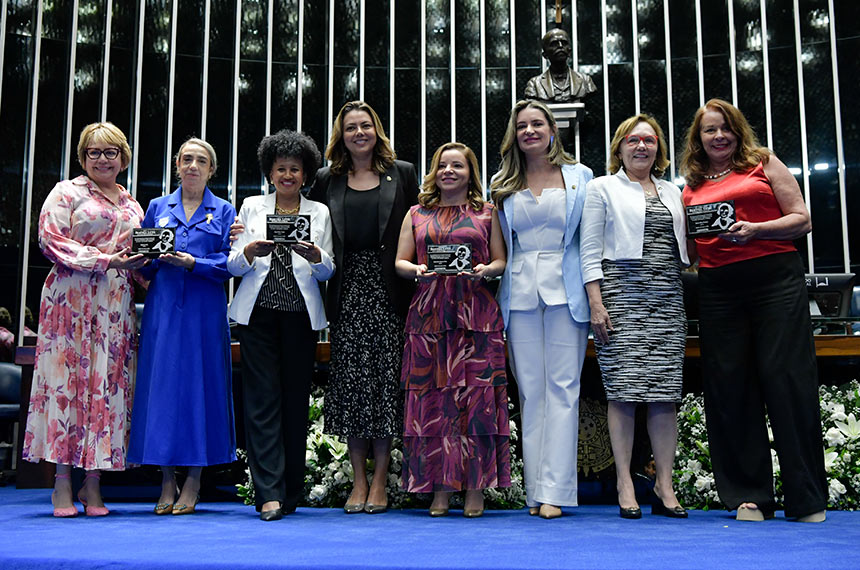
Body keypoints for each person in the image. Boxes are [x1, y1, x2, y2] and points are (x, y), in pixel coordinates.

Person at [680, 98, 827, 523]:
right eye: (710, 130)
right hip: (718, 287)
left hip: (774, 279)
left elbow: (802, 219)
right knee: (730, 389)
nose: (719, 135)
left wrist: (756, 230)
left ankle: (806, 497)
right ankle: (749, 496)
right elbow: (690, 249)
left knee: (787, 381)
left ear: (738, 130)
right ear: (698, 138)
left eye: (725, 127)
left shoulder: (762, 162)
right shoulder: (690, 185)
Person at [22, 122, 147, 517]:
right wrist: (106, 260)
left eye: (110, 152)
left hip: (115, 306)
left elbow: (140, 260)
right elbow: (50, 240)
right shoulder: (66, 192)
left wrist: (164, 267)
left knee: (105, 387)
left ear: (123, 158)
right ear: (82, 157)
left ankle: (93, 482)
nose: (103, 159)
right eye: (94, 152)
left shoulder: (133, 205)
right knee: (66, 384)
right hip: (69, 303)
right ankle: (61, 482)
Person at [308, 101, 418, 514]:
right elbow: (310, 225)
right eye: (351, 127)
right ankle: (358, 481)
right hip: (347, 290)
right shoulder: (326, 179)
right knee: (353, 388)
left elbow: (420, 225)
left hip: (391, 292)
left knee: (384, 387)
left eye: (366, 126)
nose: (359, 133)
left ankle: (381, 482)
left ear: (377, 131)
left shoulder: (402, 173)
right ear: (342, 134)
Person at [580, 114, 690, 519]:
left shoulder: (672, 191)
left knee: (665, 395)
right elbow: (589, 250)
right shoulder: (602, 188)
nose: (641, 146)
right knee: (624, 393)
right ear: (619, 147)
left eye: (649, 139)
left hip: (667, 297)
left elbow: (687, 249)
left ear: (658, 147)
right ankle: (625, 480)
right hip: (621, 296)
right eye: (633, 139)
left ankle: (664, 483)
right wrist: (596, 302)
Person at [395, 142, 510, 517]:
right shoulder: (417, 212)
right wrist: (415, 270)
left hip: (476, 315)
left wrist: (486, 270)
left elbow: (500, 260)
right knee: (433, 403)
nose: (449, 171)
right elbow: (400, 261)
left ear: (469, 172)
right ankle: (439, 488)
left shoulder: (487, 212)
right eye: (442, 165)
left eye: (457, 165)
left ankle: (476, 488)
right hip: (429, 315)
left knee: (476, 404)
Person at [490, 100, 593, 519]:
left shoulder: (581, 177)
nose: (529, 131)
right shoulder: (501, 182)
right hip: (518, 295)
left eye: (537, 124)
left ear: (553, 129)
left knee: (563, 389)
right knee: (530, 391)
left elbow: (587, 242)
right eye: (522, 126)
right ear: (514, 135)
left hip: (567, 293)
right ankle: (536, 491)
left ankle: (558, 491)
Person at [127, 138, 237, 516]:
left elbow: (230, 265)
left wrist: (194, 262)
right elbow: (144, 267)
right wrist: (141, 257)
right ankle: (166, 478)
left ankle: (194, 479)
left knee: (201, 388)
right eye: (187, 159)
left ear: (212, 170)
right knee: (163, 390)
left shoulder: (223, 210)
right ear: (177, 165)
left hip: (205, 311)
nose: (193, 165)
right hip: (163, 310)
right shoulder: (157, 207)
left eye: (201, 161)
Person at [229, 130, 334, 521]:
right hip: (257, 316)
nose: (288, 175)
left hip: (301, 318)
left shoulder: (318, 212)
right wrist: (249, 252)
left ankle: (291, 490)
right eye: (280, 169)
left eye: (295, 169)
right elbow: (231, 264)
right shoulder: (252, 206)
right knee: (260, 402)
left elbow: (328, 269)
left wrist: (315, 252)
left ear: (305, 175)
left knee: (294, 401)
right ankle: (268, 492)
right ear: (270, 173)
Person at [523, 28, 597, 103]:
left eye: (564, 43)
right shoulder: (534, 84)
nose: (560, 46)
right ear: (545, 55)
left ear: (569, 51)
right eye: (554, 44)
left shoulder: (585, 81)